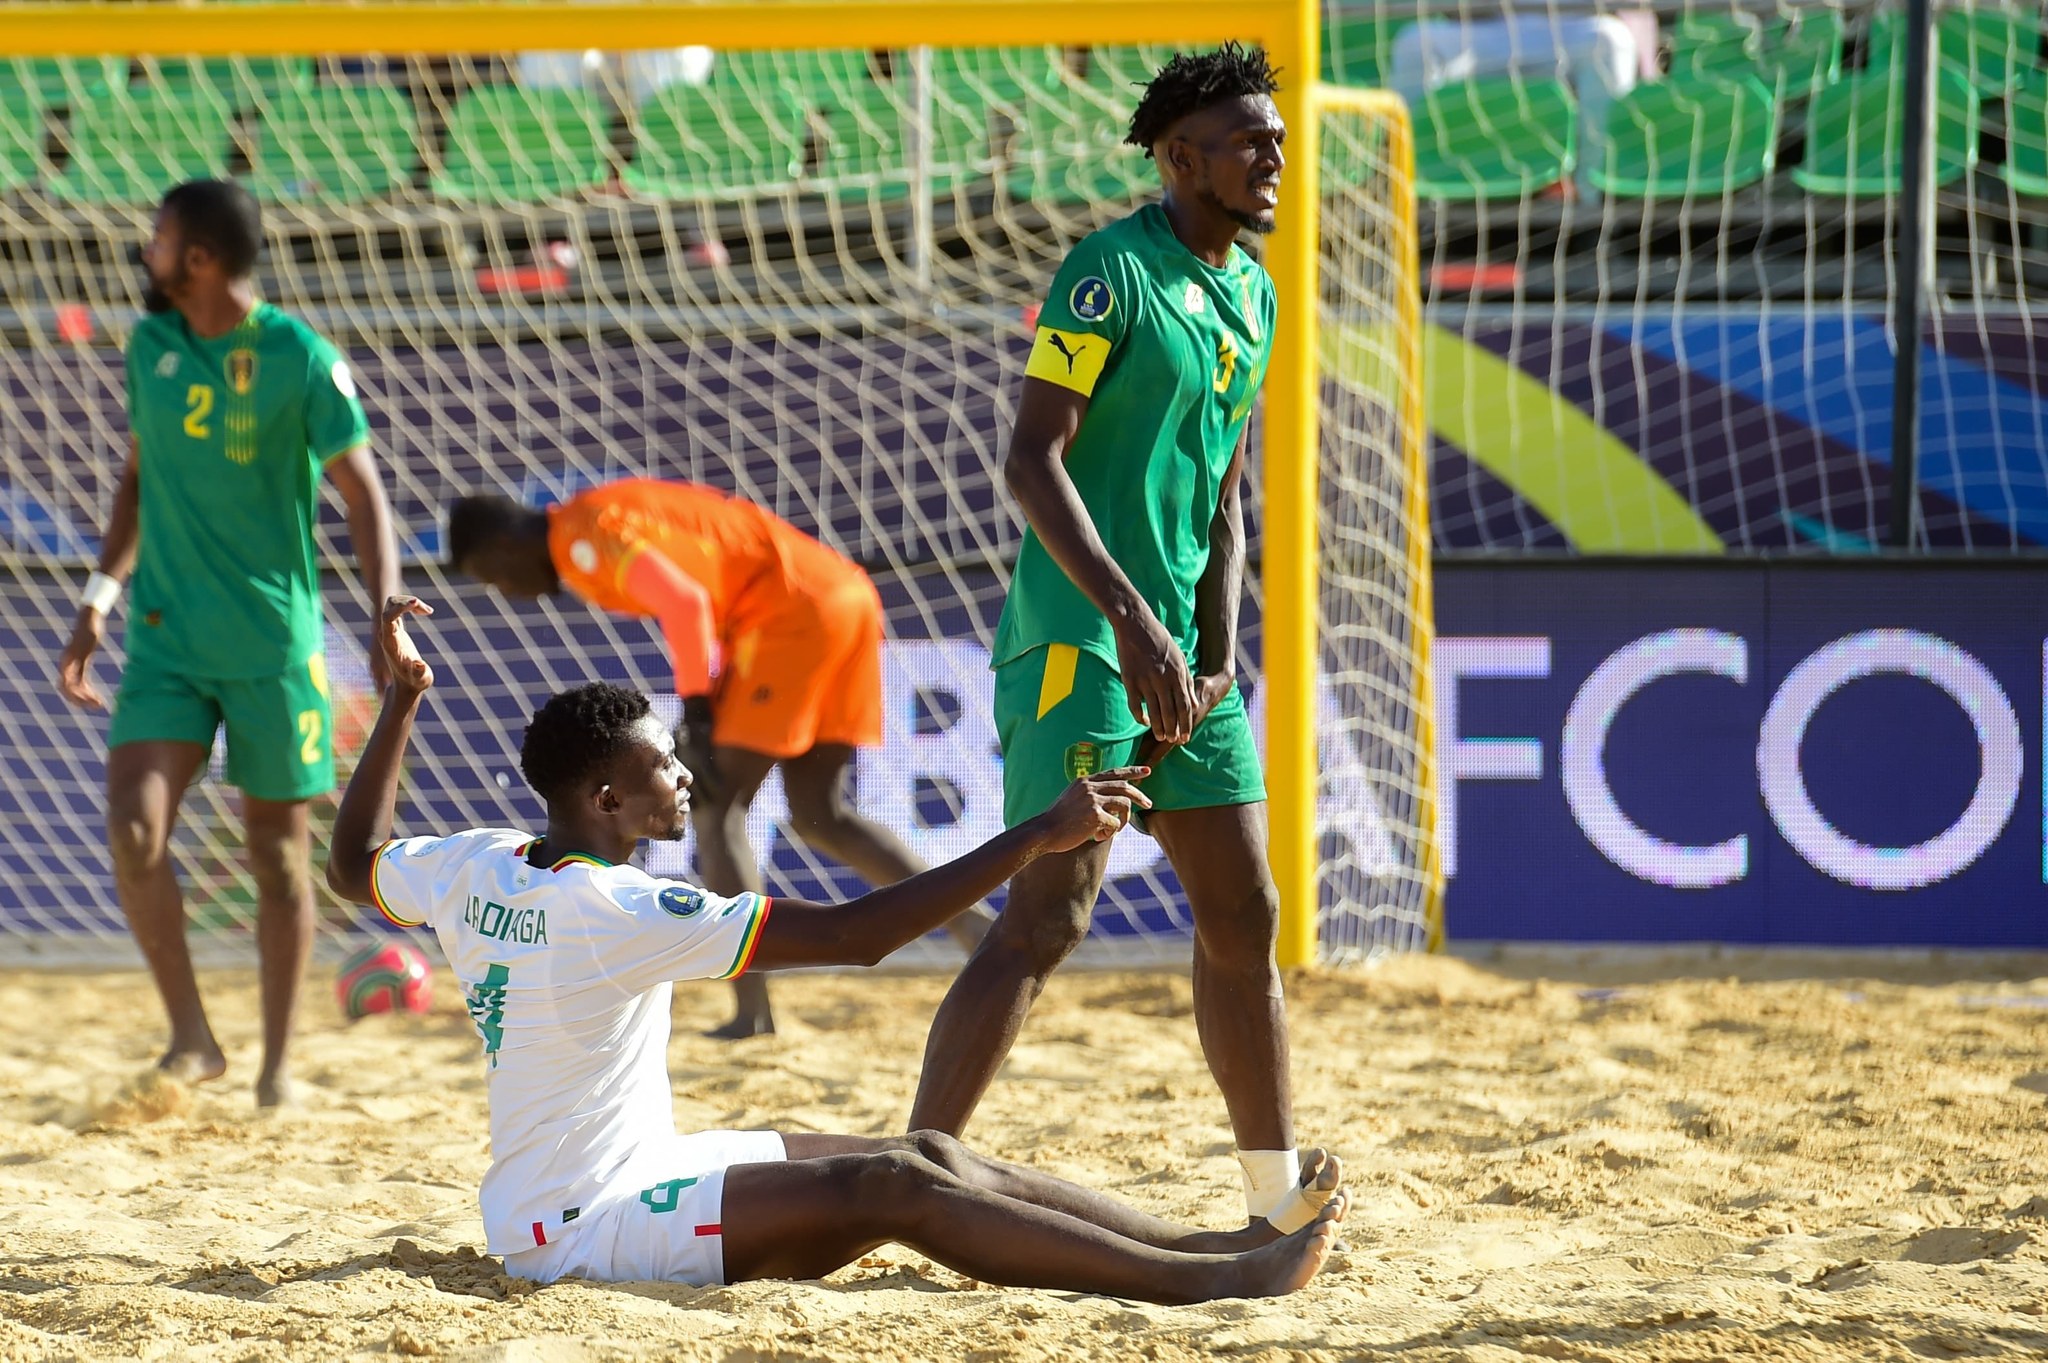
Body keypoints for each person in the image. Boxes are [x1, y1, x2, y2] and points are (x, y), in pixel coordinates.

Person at [324, 596, 1345, 1299]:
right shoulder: (617, 908)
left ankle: (1216, 1241)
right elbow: (857, 938)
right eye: (661, 766)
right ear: (604, 802)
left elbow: (353, 859)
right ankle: (1208, 1280)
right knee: (892, 1189)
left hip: (611, 1176)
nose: (683, 775)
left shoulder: (476, 860)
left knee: (926, 1151)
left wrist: (405, 701)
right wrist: (1033, 834)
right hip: (584, 1230)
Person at [905, 45, 1330, 1235]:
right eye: (1249, 139)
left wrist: (1211, 642)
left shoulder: (1252, 289)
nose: (1274, 155)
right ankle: (915, 1172)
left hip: (1181, 657)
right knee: (1047, 919)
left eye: (1276, 137)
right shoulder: (1106, 273)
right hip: (1080, 646)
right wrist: (1134, 622)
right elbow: (1028, 458)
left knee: (1243, 912)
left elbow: (1226, 493)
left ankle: (1269, 1193)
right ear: (1178, 156)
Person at [55, 178, 399, 1107]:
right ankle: (192, 1040)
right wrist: (98, 596)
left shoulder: (298, 355)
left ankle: (278, 1066)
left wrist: (385, 604)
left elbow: (362, 491)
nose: (149, 250)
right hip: (166, 641)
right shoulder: (150, 345)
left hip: (271, 647)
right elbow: (137, 480)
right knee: (133, 831)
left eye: (160, 238)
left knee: (282, 862)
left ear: (199, 259)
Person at [447, 479, 992, 1040]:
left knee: (715, 810)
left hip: (788, 613)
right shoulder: (596, 514)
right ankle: (977, 931)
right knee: (821, 812)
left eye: (492, 576)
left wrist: (698, 708)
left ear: (503, 544)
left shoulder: (580, 538)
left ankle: (752, 1011)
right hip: (841, 597)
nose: (507, 590)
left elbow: (684, 601)